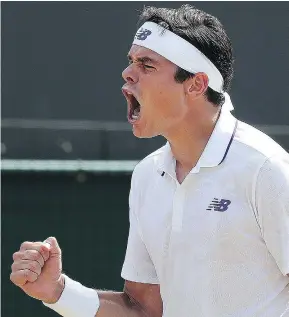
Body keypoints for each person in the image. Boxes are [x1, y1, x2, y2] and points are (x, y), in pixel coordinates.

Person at [10, 4, 289, 317]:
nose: (127, 73)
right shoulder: (147, 175)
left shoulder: (267, 170)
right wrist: (57, 291)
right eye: (131, 62)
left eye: (147, 65)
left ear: (195, 84)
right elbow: (143, 309)